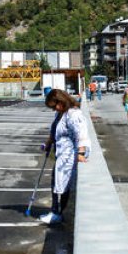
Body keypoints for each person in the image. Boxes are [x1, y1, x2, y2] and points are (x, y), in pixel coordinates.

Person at [39, 89, 90, 225]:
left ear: (61, 101)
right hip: (61, 154)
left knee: (63, 185)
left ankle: (58, 214)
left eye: (54, 105)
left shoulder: (73, 114)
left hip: (69, 156)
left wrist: (80, 153)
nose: (54, 109)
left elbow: (82, 134)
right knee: (56, 183)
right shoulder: (61, 113)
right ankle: (56, 212)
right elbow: (54, 130)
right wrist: (48, 143)